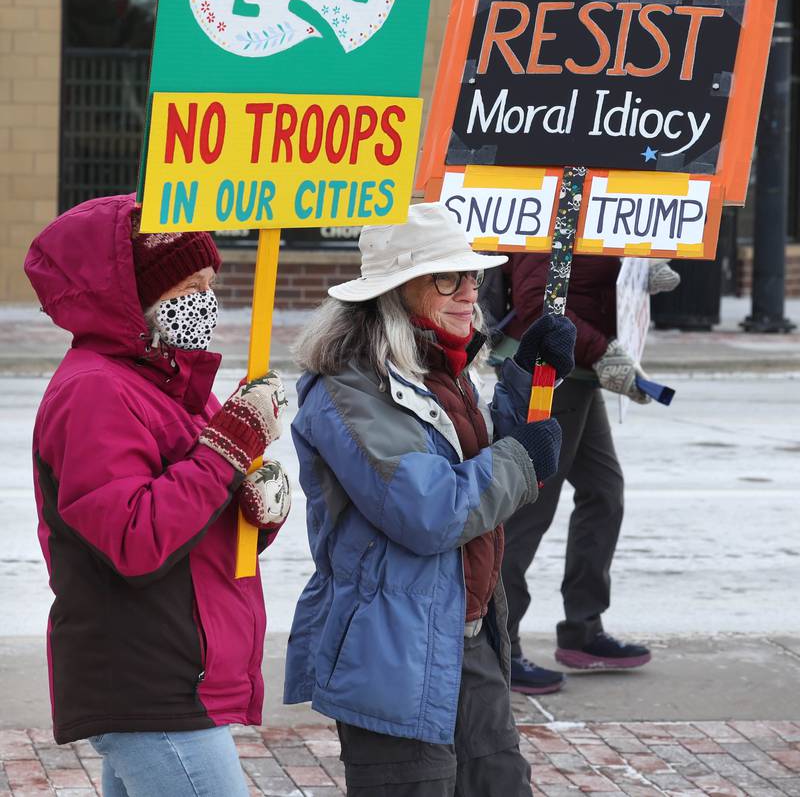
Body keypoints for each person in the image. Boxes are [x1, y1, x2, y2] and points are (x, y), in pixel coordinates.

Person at [283, 203, 576, 797]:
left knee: (501, 784)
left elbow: (477, 460)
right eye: (448, 276)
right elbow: (429, 510)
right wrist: (523, 460)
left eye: (473, 276)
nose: (470, 291)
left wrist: (527, 376)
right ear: (395, 289)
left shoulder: (438, 363)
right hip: (392, 655)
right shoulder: (349, 386)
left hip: (466, 639)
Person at [25, 194, 292, 797]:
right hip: (145, 673)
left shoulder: (176, 382)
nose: (205, 300)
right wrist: (227, 448)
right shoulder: (96, 390)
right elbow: (134, 538)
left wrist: (259, 504)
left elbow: (205, 501)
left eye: (209, 282)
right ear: (133, 298)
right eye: (185, 287)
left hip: (176, 665)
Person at [498, 253, 680, 695]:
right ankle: (498, 646)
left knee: (604, 492)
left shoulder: (598, 204)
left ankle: (583, 629)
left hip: (579, 369)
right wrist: (603, 351)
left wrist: (634, 271)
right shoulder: (559, 197)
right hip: (548, 371)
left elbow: (587, 281)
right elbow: (537, 302)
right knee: (529, 509)